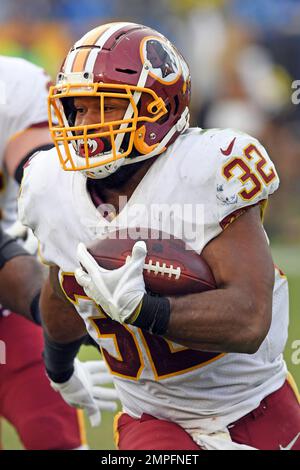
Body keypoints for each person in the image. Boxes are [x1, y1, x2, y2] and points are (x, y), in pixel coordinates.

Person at [19, 22, 300, 450]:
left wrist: (147, 310)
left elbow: (249, 318)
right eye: (79, 108)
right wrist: (59, 367)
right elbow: (61, 287)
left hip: (256, 405)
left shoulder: (206, 170)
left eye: (107, 107)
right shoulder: (49, 184)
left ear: (158, 109)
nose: (85, 124)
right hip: (152, 420)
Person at [0, 55, 118, 450]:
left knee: (55, 438)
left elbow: (41, 171)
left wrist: (63, 210)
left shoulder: (12, 83)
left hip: (8, 318)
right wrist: (51, 315)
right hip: (14, 284)